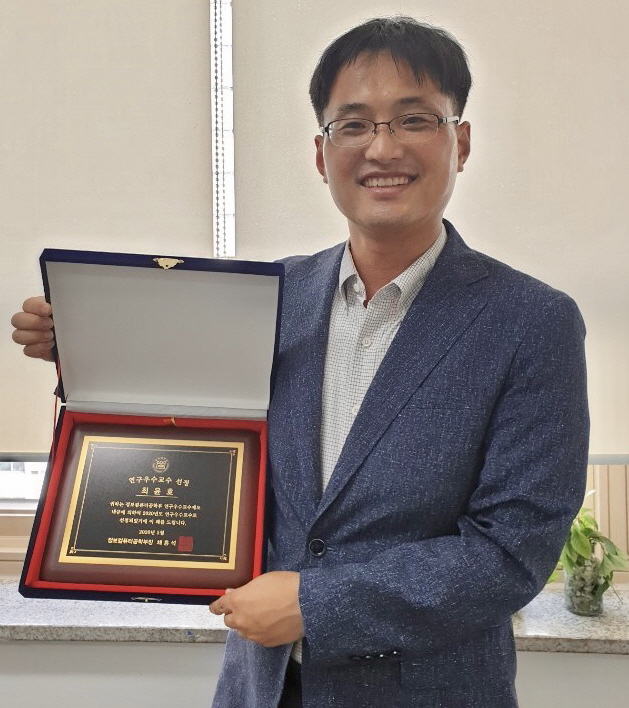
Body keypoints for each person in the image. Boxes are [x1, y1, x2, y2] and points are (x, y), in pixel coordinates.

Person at [11, 16, 589, 708]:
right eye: (353, 124)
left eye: (414, 119)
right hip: (258, 687)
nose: (382, 147)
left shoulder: (531, 321)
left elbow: (509, 551)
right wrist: (90, 349)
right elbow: (188, 423)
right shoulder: (267, 297)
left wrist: (317, 604)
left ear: (459, 142)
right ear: (321, 154)